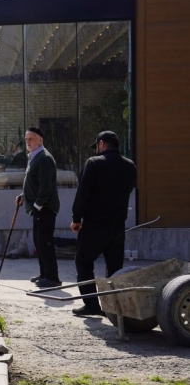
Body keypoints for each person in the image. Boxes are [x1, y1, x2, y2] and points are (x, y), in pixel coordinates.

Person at [69, 131, 137, 316]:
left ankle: (92, 305)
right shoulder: (130, 166)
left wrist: (76, 219)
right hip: (118, 226)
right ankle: (115, 308)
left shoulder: (94, 163)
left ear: (101, 144)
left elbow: (83, 193)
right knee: (115, 269)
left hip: (95, 225)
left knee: (83, 262)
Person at [15, 127, 61, 288]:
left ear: (40, 140)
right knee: (39, 241)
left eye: (31, 138)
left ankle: (52, 277)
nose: (28, 142)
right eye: (26, 139)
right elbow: (33, 183)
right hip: (39, 207)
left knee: (45, 242)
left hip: (45, 208)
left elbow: (45, 187)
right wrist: (23, 195)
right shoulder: (35, 157)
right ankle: (44, 273)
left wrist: (37, 205)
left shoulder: (44, 158)